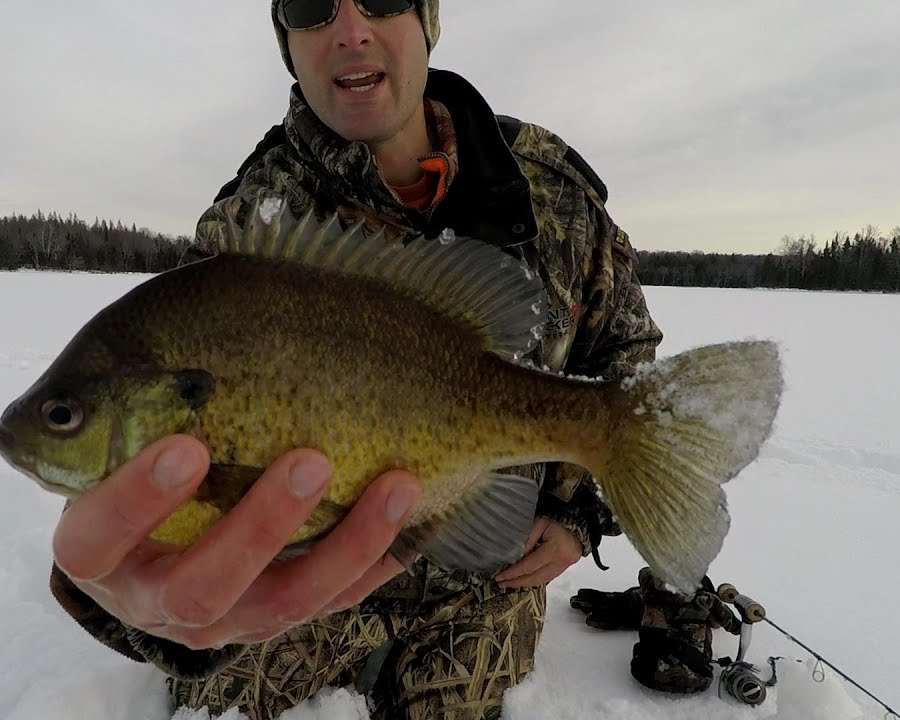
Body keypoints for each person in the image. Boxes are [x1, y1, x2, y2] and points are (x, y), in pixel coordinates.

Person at [47, 1, 665, 717]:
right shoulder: (253, 229)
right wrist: (140, 591)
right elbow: (169, 471)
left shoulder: (552, 190)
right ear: (287, 41)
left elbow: (625, 359)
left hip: (482, 594)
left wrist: (578, 514)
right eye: (311, 5)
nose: (350, 29)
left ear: (428, 18)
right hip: (297, 609)